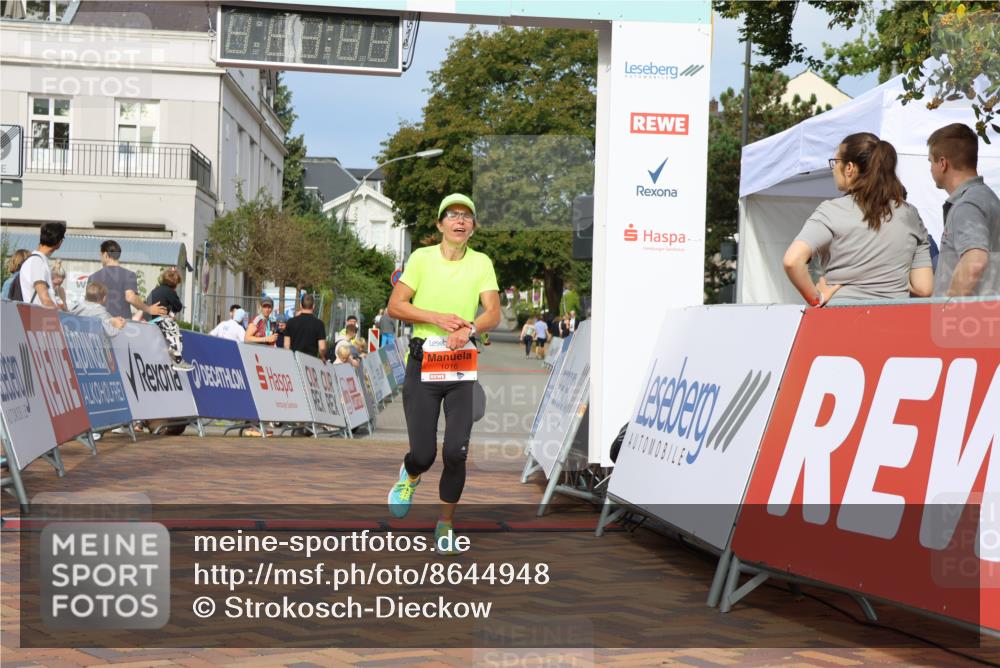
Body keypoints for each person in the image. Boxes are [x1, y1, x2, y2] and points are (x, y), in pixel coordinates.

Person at [385, 193, 500, 555]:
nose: (460, 221)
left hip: (461, 366)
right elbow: (396, 306)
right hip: (424, 365)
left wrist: (469, 328)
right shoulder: (421, 259)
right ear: (440, 224)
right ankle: (411, 474)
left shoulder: (481, 262)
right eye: (452, 215)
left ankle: (445, 524)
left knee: (456, 452)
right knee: (424, 453)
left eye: (467, 216)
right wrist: (436, 317)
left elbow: (493, 312)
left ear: (473, 227)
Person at [783, 132, 933, 305]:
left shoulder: (830, 212)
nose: (833, 169)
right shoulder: (910, 215)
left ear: (849, 168)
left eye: (835, 162)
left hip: (841, 319)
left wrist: (817, 298)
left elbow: (792, 261)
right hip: (894, 320)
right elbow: (924, 288)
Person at [927, 123, 1000, 297]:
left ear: (943, 163)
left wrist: (947, 307)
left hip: (966, 319)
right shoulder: (987, 198)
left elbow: (974, 261)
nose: (930, 168)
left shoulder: (967, 205)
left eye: (931, 161)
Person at [87, 240, 167, 319]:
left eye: (100, 255)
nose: (100, 258)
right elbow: (130, 297)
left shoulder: (93, 277)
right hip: (122, 325)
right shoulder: (129, 275)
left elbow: (88, 304)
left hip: (99, 323)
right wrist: (148, 309)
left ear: (105, 255)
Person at [145, 267, 193, 372]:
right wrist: (171, 311)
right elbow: (178, 307)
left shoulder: (156, 289)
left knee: (168, 326)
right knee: (174, 330)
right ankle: (178, 360)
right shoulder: (169, 292)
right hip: (159, 319)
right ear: (175, 284)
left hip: (148, 320)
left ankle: (168, 349)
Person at [18, 221, 65, 308]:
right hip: (38, 319)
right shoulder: (37, 262)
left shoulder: (36, 260)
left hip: (35, 317)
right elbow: (45, 300)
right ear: (59, 243)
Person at [284, 293, 327, 359]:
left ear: (301, 305)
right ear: (313, 306)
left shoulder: (291, 322)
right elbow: (322, 347)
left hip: (295, 359)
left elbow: (286, 345)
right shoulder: (319, 324)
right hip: (311, 361)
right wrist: (322, 357)